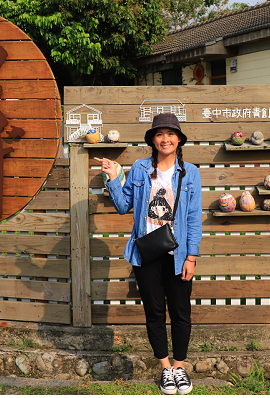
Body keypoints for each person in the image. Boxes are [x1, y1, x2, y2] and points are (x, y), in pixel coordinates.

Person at [96, 112, 202, 395]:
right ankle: (165, 369)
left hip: (178, 253)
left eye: (170, 134)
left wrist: (192, 257)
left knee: (181, 312)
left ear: (178, 139)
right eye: (159, 134)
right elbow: (122, 206)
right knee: (154, 312)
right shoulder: (141, 169)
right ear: (152, 140)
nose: (165, 139)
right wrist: (113, 178)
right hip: (147, 252)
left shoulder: (190, 172)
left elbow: (193, 219)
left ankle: (180, 368)